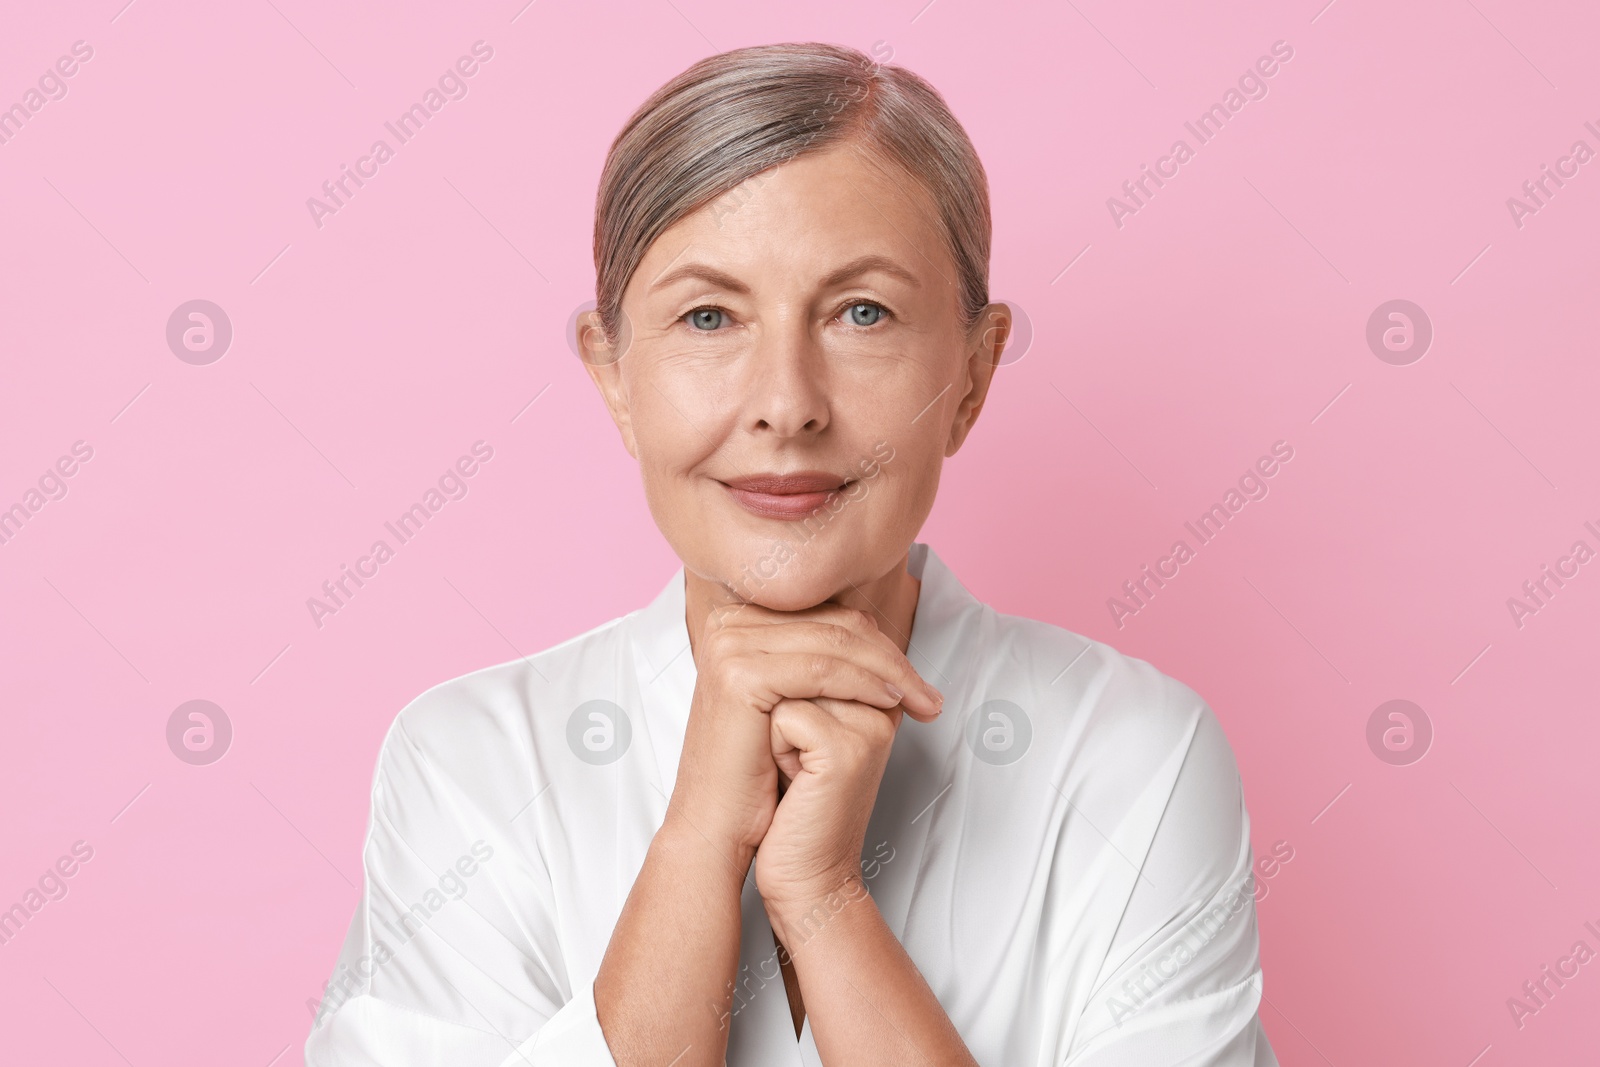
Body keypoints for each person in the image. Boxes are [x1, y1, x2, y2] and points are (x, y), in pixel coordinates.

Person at [305, 41, 1277, 1067]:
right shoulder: (468, 761)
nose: (785, 404)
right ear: (614, 377)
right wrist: (696, 843)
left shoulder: (1135, 754)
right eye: (708, 316)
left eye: (863, 313)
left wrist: (823, 898)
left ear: (973, 377)